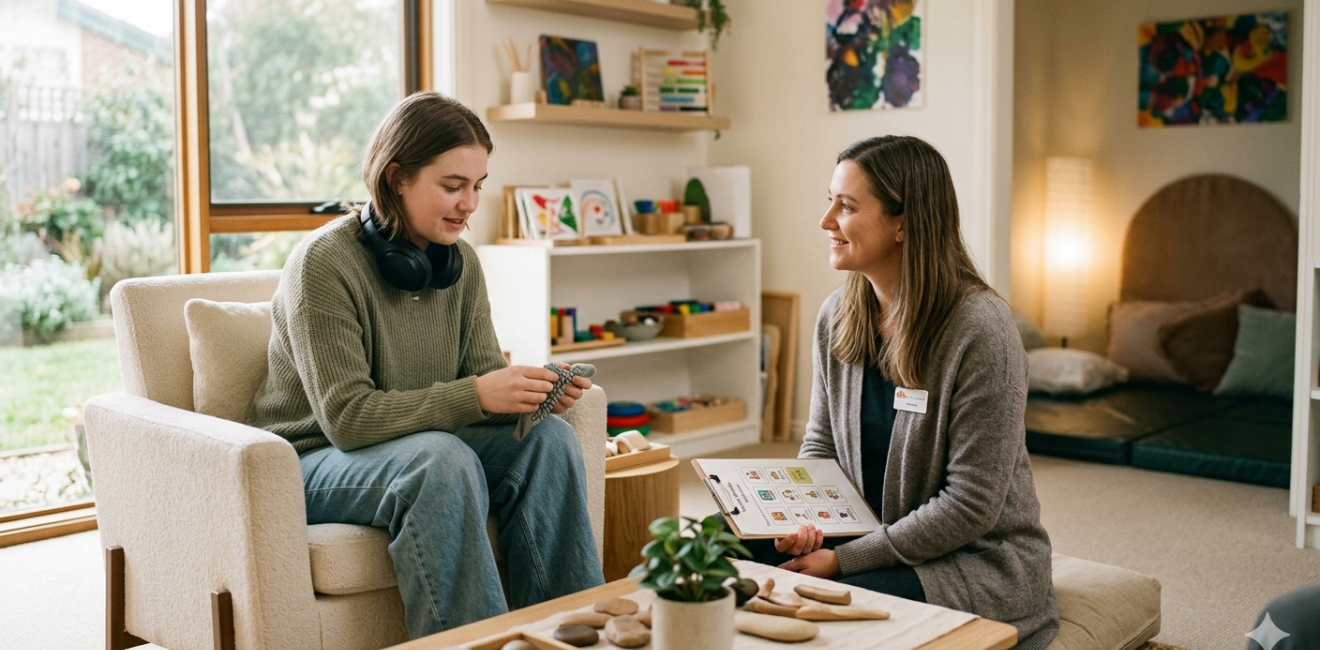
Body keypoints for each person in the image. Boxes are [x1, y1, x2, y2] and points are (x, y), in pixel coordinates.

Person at [247, 91, 604, 638]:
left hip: (414, 445)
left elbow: (481, 380)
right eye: (453, 186)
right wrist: (477, 396)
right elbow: (347, 419)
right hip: (311, 459)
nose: (469, 204)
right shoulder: (322, 263)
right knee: (439, 460)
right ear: (396, 179)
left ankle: (570, 633)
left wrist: (530, 392)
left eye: (478, 186)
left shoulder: (458, 263)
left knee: (548, 440)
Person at [739, 135, 1058, 649]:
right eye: (830, 202)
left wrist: (843, 560)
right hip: (863, 529)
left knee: (826, 610)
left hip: (972, 558)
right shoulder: (836, 315)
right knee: (708, 546)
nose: (826, 222)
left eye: (846, 206)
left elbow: (970, 505)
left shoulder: (981, 329)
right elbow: (820, 447)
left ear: (904, 223)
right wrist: (800, 518)